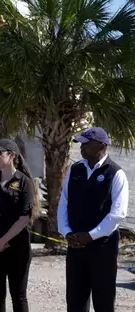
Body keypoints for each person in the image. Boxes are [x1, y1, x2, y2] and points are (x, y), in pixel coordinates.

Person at [57, 127, 129, 312]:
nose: (82, 148)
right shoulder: (76, 169)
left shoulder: (116, 173)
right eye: (81, 144)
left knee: (103, 301)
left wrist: (91, 235)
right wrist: (67, 232)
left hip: (103, 248)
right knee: (75, 301)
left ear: (101, 146)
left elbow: (117, 214)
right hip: (75, 246)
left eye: (86, 144)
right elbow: (64, 202)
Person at [0, 139, 38, 312]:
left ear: (11, 155)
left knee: (18, 295)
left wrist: (3, 240)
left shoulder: (24, 182)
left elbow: (24, 217)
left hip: (17, 246)